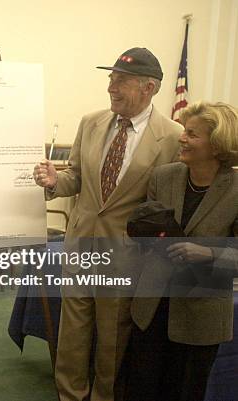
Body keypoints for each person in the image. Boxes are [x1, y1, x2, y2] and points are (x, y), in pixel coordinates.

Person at [34, 47, 182, 401]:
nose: (111, 88)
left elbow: (164, 206)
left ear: (150, 88)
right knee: (73, 332)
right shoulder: (91, 122)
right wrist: (56, 181)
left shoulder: (173, 136)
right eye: (110, 79)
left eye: (122, 81)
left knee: (113, 338)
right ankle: (69, 394)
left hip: (125, 255)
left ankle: (104, 395)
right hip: (81, 244)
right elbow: (77, 178)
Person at [125, 102, 238, 401]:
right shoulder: (163, 176)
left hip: (202, 312)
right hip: (152, 305)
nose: (182, 138)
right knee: (142, 388)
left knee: (186, 391)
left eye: (191, 134)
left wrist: (208, 253)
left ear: (216, 145)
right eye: (184, 131)